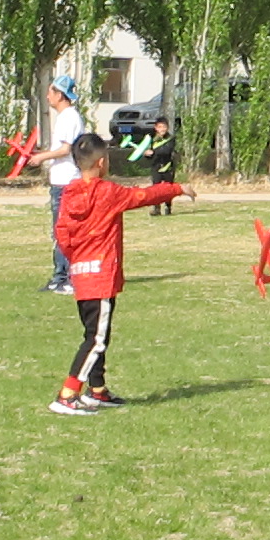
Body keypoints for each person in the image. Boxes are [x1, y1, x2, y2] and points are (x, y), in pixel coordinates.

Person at [48, 132, 194, 415]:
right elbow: (144, 195)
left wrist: (77, 260)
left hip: (82, 275)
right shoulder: (108, 192)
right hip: (100, 278)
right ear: (102, 163)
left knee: (95, 333)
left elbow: (62, 234)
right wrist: (177, 189)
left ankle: (97, 390)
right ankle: (67, 394)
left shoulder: (69, 193)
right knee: (96, 340)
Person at [36, 75, 86, 294]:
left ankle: (67, 278)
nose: (47, 96)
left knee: (65, 232)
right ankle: (60, 276)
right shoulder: (65, 117)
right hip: (60, 182)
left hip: (67, 183)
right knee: (60, 231)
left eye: (50, 92)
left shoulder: (69, 117)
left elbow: (66, 149)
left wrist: (41, 157)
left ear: (59, 94)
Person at [145, 116, 177, 216]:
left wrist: (153, 152)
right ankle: (156, 208)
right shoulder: (151, 139)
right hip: (156, 167)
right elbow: (149, 154)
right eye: (160, 127)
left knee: (168, 189)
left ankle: (168, 207)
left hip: (168, 167)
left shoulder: (171, 138)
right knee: (156, 189)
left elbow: (166, 151)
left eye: (164, 127)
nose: (162, 129)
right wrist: (147, 154)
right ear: (156, 128)